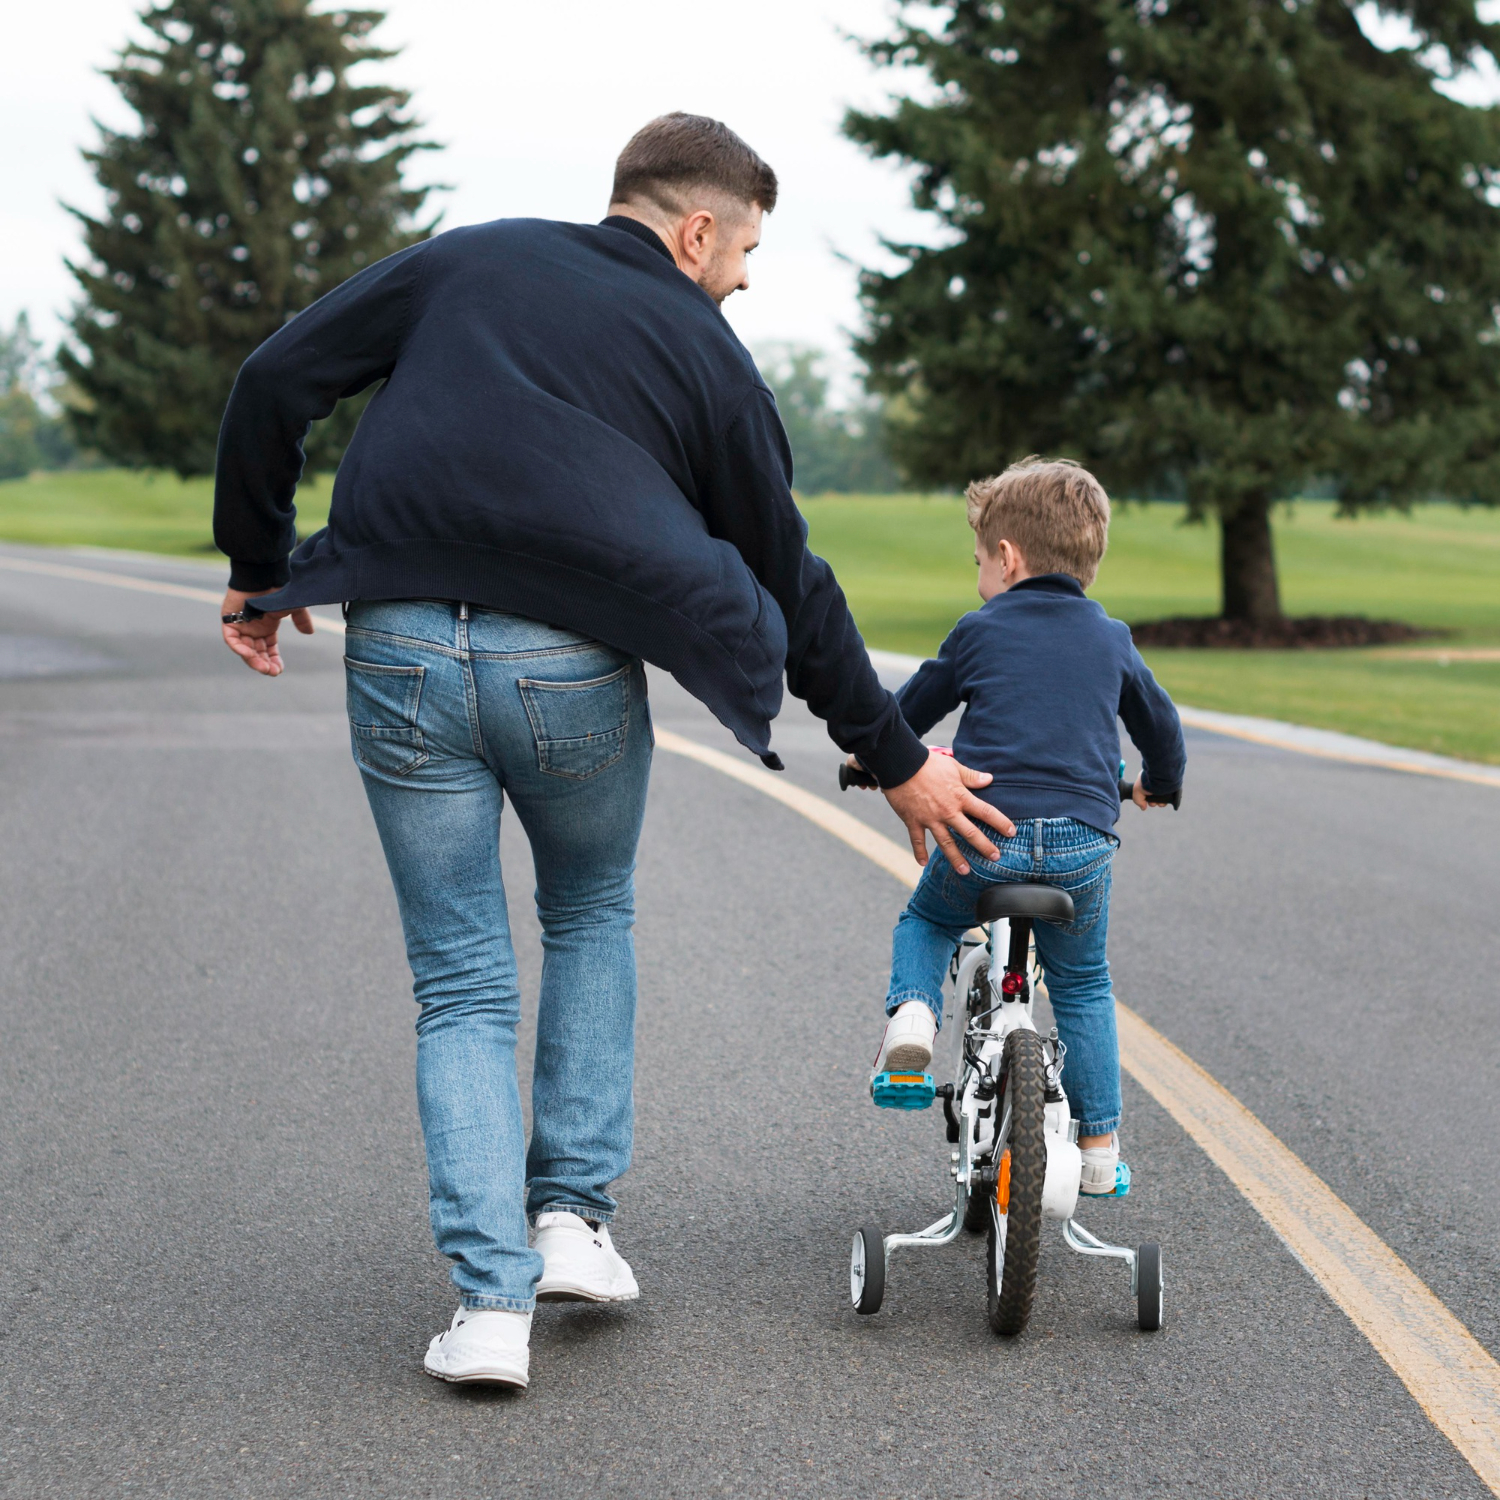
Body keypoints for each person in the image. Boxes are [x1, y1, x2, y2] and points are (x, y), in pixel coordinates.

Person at [212, 113, 1016, 1389]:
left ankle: (488, 1309)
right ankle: (574, 1225)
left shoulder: (465, 260)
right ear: (696, 229)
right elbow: (789, 577)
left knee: (462, 984)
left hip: (402, 643)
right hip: (569, 665)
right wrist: (895, 753)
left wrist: (261, 570)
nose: (745, 278)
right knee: (587, 916)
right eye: (746, 249)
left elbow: (271, 385)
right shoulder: (705, 354)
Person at [856, 458, 1186, 1193]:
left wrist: (869, 761)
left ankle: (912, 1021)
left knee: (926, 921)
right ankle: (1099, 1148)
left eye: (978, 559)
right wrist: (1157, 785)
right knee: (1083, 982)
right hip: (1081, 846)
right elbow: (1161, 728)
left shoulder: (979, 630)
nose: (979, 572)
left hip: (986, 836)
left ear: (1007, 558)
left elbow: (906, 715)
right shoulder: (1112, 638)